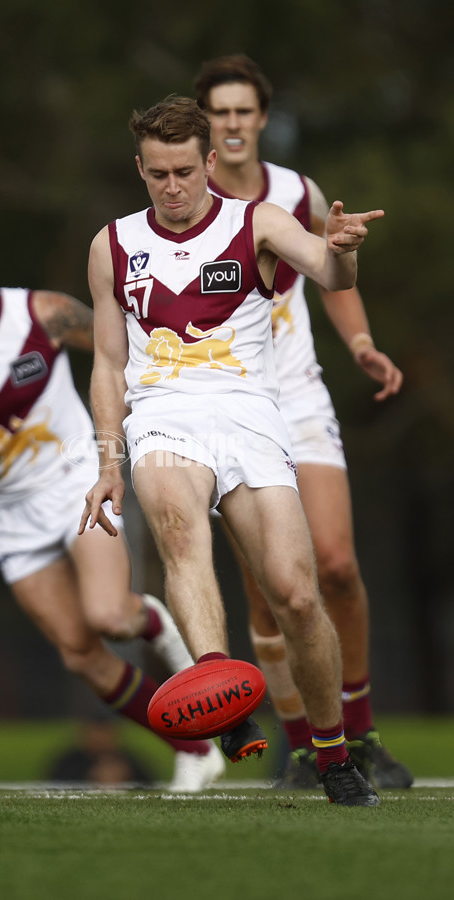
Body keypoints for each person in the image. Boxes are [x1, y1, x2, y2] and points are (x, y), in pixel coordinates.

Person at [79, 95, 386, 807]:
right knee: (180, 537)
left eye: (184, 170)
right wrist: (106, 461)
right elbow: (106, 363)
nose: (172, 186)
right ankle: (218, 688)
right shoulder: (112, 245)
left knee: (297, 595)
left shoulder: (258, 222)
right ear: (140, 169)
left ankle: (333, 753)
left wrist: (344, 254)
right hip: (162, 417)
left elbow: (328, 272)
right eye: (157, 173)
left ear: (210, 161)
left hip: (250, 414)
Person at [0, 224, 226, 793]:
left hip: (77, 481)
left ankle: (146, 617)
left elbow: (119, 343)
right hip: (10, 514)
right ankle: (194, 748)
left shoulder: (44, 314)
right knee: (80, 656)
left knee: (108, 618)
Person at [193, 54, 412, 790]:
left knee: (337, 567)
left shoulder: (295, 191)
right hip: (230, 404)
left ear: (261, 117)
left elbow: (330, 266)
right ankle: (302, 748)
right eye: (217, 112)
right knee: (269, 591)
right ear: (204, 123)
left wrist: (360, 343)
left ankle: (363, 730)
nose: (230, 124)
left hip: (299, 394)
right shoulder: (184, 204)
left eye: (241, 110)